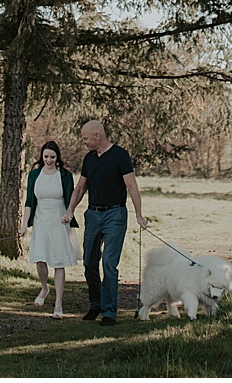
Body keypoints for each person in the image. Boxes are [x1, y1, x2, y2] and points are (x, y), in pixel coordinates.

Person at [62, 119, 148, 325]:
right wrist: (70, 210)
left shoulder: (120, 155)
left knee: (109, 263)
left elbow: (132, 186)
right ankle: (96, 304)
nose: (83, 142)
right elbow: (80, 188)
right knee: (89, 262)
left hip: (115, 215)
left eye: (86, 138)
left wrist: (139, 214)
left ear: (97, 136)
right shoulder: (89, 159)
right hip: (93, 215)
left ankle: (109, 312)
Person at [24, 139, 81, 317]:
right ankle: (44, 288)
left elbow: (71, 199)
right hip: (41, 219)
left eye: (52, 157)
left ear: (57, 158)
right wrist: (24, 224)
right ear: (42, 156)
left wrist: (69, 214)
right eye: (46, 156)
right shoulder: (34, 175)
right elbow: (29, 202)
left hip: (59, 219)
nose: (49, 160)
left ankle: (58, 303)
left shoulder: (64, 175)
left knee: (58, 262)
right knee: (40, 259)